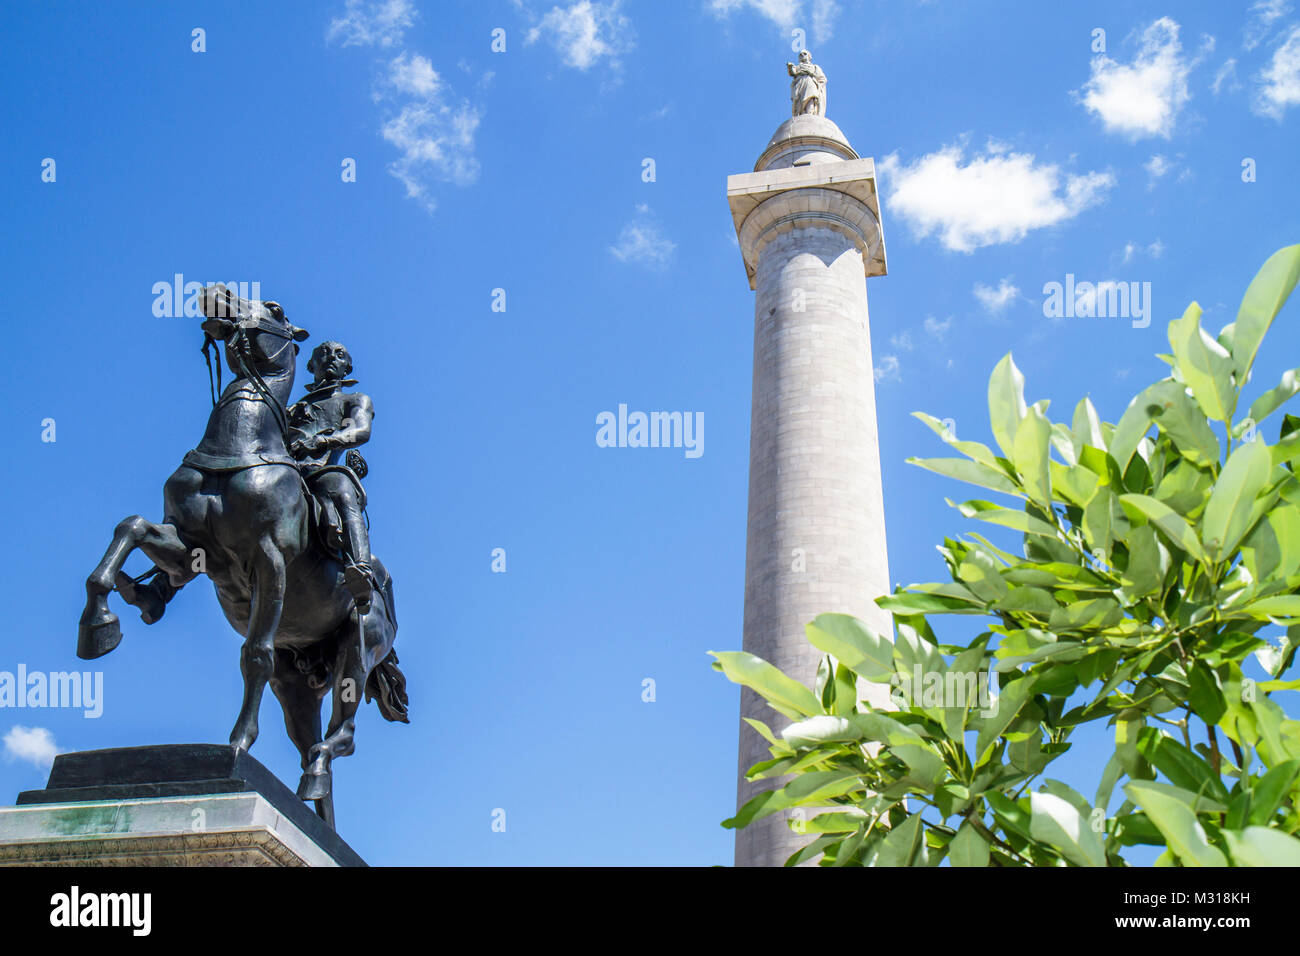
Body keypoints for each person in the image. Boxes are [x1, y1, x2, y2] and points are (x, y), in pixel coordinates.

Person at [287, 340, 376, 611]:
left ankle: (359, 566)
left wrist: (322, 442)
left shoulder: (355, 400)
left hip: (321, 472)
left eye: (339, 355)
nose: (330, 358)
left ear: (347, 367)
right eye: (322, 353)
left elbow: (360, 430)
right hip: (286, 471)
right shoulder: (290, 409)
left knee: (340, 486)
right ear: (311, 364)